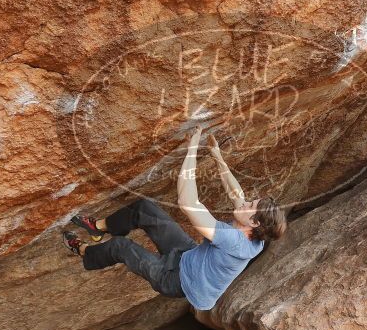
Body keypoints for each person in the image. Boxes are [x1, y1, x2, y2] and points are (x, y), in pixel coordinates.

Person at [63, 127, 287, 310]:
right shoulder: (257, 234)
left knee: (121, 247)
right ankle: (99, 227)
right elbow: (236, 194)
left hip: (178, 281)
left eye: (250, 206)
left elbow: (188, 201)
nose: (246, 203)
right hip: (188, 255)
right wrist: (218, 156)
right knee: (145, 209)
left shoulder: (232, 240)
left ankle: (84, 251)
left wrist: (191, 151)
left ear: (254, 223)